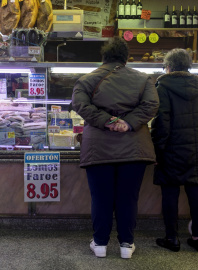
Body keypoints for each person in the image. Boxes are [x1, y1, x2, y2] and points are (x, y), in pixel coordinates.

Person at [71, 37, 159, 259]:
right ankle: (126, 245)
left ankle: (100, 244)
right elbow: (151, 104)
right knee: (128, 198)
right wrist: (127, 122)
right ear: (126, 58)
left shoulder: (86, 80)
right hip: (134, 147)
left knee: (101, 197)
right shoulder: (143, 79)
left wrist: (108, 121)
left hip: (98, 148)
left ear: (104, 57)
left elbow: (80, 104)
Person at [151, 48, 198, 252]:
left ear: (168, 67)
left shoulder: (163, 86)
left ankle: (172, 238)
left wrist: (157, 152)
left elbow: (162, 124)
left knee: (170, 195)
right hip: (196, 151)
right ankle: (196, 237)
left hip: (171, 151)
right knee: (195, 194)